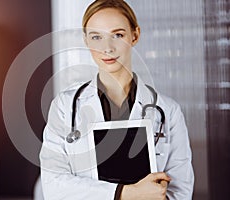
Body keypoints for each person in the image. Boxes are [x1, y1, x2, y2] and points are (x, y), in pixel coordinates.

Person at [40, 0, 194, 199]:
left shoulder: (168, 111)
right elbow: (53, 186)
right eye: (96, 37)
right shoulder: (65, 106)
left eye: (118, 35)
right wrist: (127, 193)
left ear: (135, 35)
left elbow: (181, 192)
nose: (108, 48)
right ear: (86, 40)